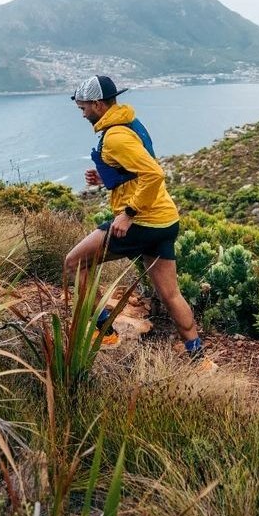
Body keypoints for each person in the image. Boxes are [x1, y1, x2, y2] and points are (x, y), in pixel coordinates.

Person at [63, 74, 211, 367]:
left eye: (83, 107)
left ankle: (104, 333)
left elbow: (154, 174)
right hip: (165, 219)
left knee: (74, 263)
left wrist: (128, 214)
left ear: (98, 103)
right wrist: (107, 179)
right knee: (170, 293)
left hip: (142, 221)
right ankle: (199, 358)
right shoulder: (129, 123)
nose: (81, 112)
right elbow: (135, 172)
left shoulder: (115, 136)